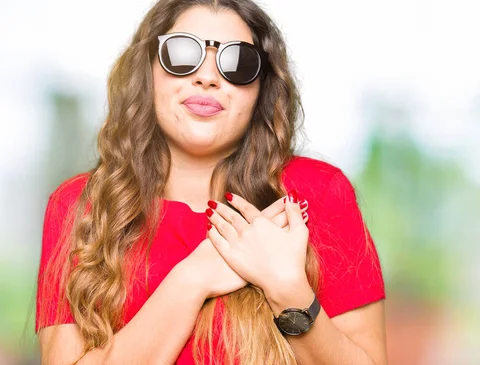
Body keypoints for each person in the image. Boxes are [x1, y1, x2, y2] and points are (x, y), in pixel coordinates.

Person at [35, 0, 388, 364]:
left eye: (238, 63)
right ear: (148, 70)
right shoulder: (80, 205)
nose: (207, 78)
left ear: (261, 89)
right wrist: (194, 277)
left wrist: (287, 289)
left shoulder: (317, 192)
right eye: (182, 53)